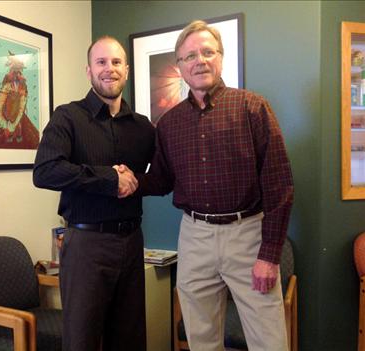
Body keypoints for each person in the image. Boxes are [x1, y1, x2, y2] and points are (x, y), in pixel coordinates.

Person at [118, 20, 294, 350]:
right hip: (194, 237)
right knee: (201, 339)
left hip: (247, 236)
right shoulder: (169, 124)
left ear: (220, 58)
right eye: (190, 56)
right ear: (180, 67)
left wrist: (270, 255)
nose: (200, 60)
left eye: (208, 52)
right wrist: (130, 181)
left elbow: (280, 186)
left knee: (268, 340)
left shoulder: (252, 108)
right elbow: (161, 180)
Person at [33, 36, 154, 351]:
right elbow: (45, 171)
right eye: (101, 62)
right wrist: (108, 179)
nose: (109, 69)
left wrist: (136, 181)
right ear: (88, 70)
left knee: (129, 339)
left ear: (126, 71)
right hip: (86, 245)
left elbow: (160, 176)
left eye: (116, 63)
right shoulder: (68, 117)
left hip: (132, 241)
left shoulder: (143, 127)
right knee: (82, 340)